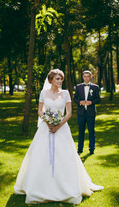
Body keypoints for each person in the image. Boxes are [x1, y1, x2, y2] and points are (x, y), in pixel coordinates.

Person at [14, 69, 103, 205]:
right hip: (46, 128)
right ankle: (40, 186)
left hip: (61, 128)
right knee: (41, 157)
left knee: (65, 157)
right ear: (50, 80)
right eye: (57, 79)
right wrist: (48, 121)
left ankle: (65, 186)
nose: (60, 81)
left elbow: (69, 113)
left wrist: (58, 125)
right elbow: (40, 110)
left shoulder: (66, 93)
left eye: (61, 79)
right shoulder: (43, 93)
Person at [73, 70, 101, 155]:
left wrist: (91, 102)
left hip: (91, 112)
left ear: (90, 77)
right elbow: (75, 98)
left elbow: (98, 99)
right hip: (81, 112)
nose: (86, 78)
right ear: (82, 77)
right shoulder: (78, 87)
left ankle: (91, 149)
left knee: (91, 131)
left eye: (88, 76)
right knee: (81, 131)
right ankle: (80, 149)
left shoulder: (95, 87)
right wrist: (79, 102)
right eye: (84, 76)